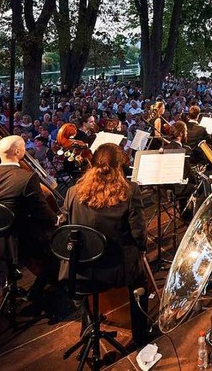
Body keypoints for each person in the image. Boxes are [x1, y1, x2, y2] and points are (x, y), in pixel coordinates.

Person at [63, 143, 148, 346]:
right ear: (120, 167)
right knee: (142, 281)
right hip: (117, 270)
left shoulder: (73, 192)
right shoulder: (130, 191)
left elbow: (69, 228)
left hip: (83, 268)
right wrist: (142, 250)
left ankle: (89, 323)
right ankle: (140, 337)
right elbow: (138, 234)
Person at [0, 135, 57, 303]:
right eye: (23, 148)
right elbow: (42, 212)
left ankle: (10, 281)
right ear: (17, 151)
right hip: (22, 239)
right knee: (56, 246)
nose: (25, 150)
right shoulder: (27, 178)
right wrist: (57, 218)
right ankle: (36, 291)